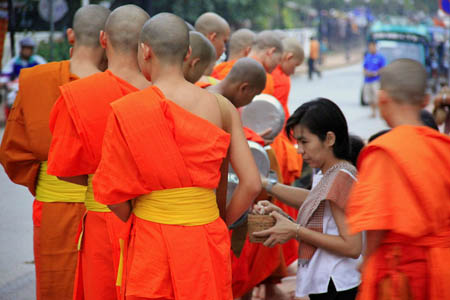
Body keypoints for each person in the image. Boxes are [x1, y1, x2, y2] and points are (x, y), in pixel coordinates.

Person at [92, 13, 261, 300]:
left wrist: (150, 214)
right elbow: (253, 184)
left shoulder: (126, 109)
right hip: (205, 236)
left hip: (151, 240)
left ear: (145, 50)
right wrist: (221, 221)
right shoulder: (221, 108)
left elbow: (113, 194)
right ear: (189, 53)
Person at [0, 5, 110, 300]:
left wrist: (49, 181)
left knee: (56, 287)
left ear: (70, 35)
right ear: (107, 40)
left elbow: (12, 153)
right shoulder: (120, 88)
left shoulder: (36, 79)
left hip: (53, 209)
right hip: (110, 211)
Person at [46, 5, 150, 300]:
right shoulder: (169, 96)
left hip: (102, 221)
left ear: (104, 39)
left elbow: (66, 169)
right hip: (158, 223)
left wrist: (104, 183)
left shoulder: (79, 96)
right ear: (147, 46)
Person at [346, 59, 450, 300]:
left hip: (402, 271)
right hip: (443, 267)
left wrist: (367, 262)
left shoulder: (383, 151)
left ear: (382, 99)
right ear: (425, 101)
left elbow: (376, 225)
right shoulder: (443, 147)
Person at [253, 98, 363, 300]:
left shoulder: (341, 177)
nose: (299, 150)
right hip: (326, 280)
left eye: (304, 142)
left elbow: (352, 247)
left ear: (329, 139)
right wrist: (280, 212)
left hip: (336, 282)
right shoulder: (328, 171)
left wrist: (295, 231)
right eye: (298, 142)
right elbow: (316, 201)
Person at [271, 37, 304, 120]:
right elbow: (277, 113)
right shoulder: (282, 78)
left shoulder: (267, 70)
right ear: (289, 57)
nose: (293, 72)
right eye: (295, 66)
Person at [249, 30, 283, 95]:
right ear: (271, 52)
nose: (278, 64)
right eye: (278, 59)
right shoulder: (265, 79)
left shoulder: (233, 68)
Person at [363, 41, 386, 118]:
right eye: (370, 47)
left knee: (377, 97)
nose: (371, 48)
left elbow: (383, 68)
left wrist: (376, 73)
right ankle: (373, 112)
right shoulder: (367, 57)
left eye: (372, 47)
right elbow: (364, 67)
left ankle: (380, 112)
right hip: (367, 80)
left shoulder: (380, 57)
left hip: (376, 80)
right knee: (369, 98)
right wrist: (366, 73)